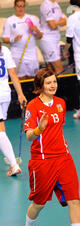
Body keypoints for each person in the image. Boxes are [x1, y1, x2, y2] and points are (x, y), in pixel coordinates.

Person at [21, 68, 80, 226]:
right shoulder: (33, 106)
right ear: (40, 86)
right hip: (43, 161)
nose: (53, 85)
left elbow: (57, 131)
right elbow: (30, 135)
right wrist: (40, 128)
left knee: (74, 199)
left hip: (63, 158)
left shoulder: (61, 103)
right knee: (39, 203)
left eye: (54, 81)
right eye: (48, 83)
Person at [0, 41, 27, 177]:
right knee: (1, 129)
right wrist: (20, 94)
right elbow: (13, 74)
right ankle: (10, 157)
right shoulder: (4, 49)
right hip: (5, 94)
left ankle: (13, 164)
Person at [2, 0, 42, 80]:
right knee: (20, 79)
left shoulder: (32, 18)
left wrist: (36, 30)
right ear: (14, 7)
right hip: (17, 55)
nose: (21, 8)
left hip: (31, 55)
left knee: (33, 79)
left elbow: (40, 36)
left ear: (25, 7)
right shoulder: (9, 20)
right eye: (18, 6)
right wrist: (14, 39)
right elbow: (4, 39)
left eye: (23, 6)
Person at [39, 0, 67, 75]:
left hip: (55, 40)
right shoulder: (45, 5)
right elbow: (52, 25)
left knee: (51, 70)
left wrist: (56, 22)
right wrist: (59, 22)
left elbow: (65, 21)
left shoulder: (56, 4)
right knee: (59, 69)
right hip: (48, 41)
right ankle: (60, 86)